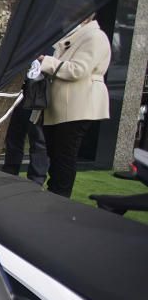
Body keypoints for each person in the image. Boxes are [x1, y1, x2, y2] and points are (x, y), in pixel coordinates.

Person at [37, 13, 111, 197]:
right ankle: (56, 193)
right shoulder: (77, 37)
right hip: (62, 105)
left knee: (64, 156)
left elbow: (78, 70)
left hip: (78, 105)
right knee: (56, 154)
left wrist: (45, 61)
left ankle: (60, 196)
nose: (63, 20)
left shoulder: (94, 37)